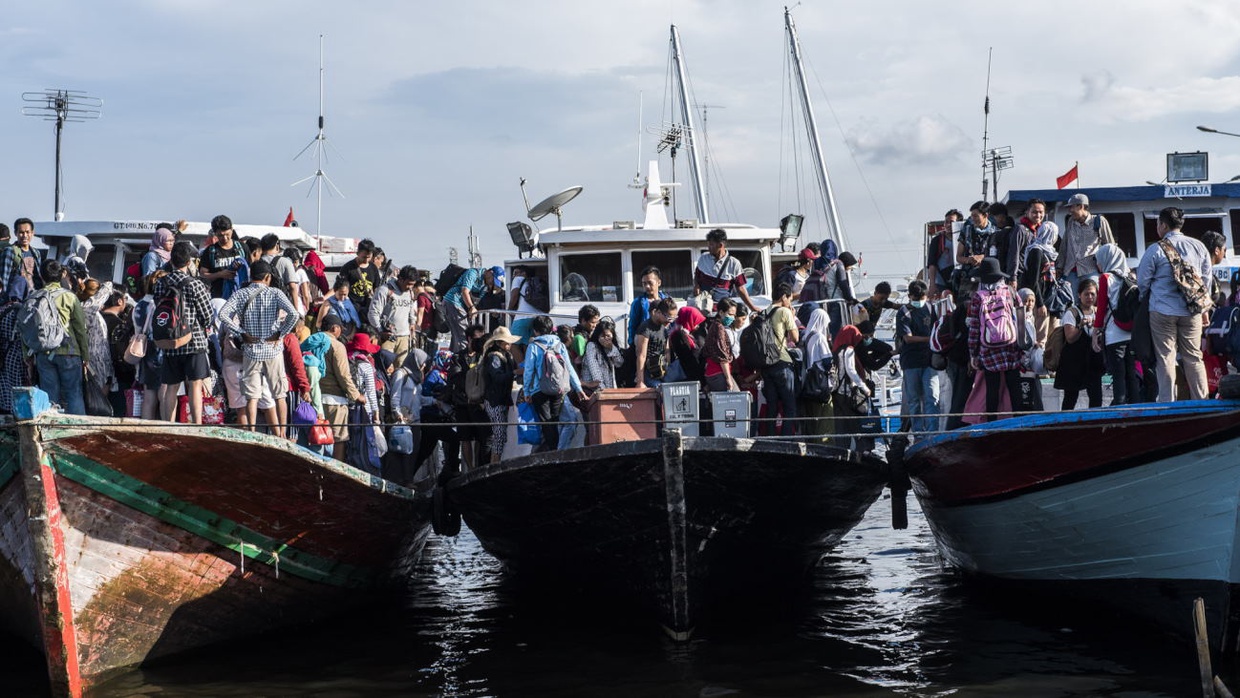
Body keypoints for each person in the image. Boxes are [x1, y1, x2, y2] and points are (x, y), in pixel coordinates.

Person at [218, 260, 302, 436]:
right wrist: (280, 334)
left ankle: (252, 433)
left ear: (251, 276)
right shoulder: (275, 293)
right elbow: (294, 314)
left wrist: (241, 333)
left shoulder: (241, 294)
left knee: (252, 395)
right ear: (267, 277)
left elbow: (223, 314)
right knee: (279, 394)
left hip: (251, 350)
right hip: (273, 350)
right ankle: (283, 434)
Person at [1137, 206, 1212, 402]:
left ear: (1163, 225)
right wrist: (1203, 309)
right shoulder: (1198, 246)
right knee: (1194, 357)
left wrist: (1149, 297)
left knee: (1166, 358)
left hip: (1162, 310)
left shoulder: (1155, 249)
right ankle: (1202, 401)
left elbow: (1142, 282)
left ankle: (1167, 403)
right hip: (1192, 310)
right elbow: (1206, 280)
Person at [154, 241, 214, 424]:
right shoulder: (195, 285)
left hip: (170, 342)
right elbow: (207, 315)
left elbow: (159, 308)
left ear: (171, 261)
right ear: (189, 262)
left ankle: (168, 424)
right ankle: (197, 424)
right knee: (195, 385)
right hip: (194, 342)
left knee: (171, 387)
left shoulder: (160, 283)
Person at [27, 260, 89, 415]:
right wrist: (85, 355)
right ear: (63, 274)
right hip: (69, 351)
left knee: (49, 399)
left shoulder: (34, 297)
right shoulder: (70, 297)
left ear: (41, 275)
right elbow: (80, 329)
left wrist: (26, 354)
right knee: (74, 395)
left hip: (44, 353)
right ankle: (78, 434)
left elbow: (26, 328)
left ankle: (50, 433)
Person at [967, 257, 1023, 422]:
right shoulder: (1010, 292)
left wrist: (973, 354)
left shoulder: (978, 297)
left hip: (989, 349)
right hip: (1011, 346)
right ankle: (1020, 423)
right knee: (1015, 387)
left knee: (992, 389)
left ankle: (992, 424)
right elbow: (1021, 320)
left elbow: (975, 329)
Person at [521, 315, 586, 452]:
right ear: (551, 329)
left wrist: (526, 392)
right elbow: (569, 368)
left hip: (539, 390)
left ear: (535, 331)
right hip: (558, 390)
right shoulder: (560, 345)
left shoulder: (533, 346)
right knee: (555, 421)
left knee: (546, 423)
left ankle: (552, 452)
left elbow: (528, 371)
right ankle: (557, 453)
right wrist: (578, 388)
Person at [1093, 244, 1141, 406]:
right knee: (1132, 375)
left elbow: (1101, 309)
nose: (1098, 265)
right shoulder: (1131, 277)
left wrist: (1095, 332)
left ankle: (1119, 407)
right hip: (1132, 333)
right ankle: (1136, 407)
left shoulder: (1106, 278)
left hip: (1114, 335)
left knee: (1118, 375)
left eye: (1098, 261)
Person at [317, 315, 367, 461]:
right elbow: (344, 376)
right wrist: (356, 395)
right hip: (335, 401)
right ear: (334, 328)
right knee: (339, 439)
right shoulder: (337, 346)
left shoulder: (312, 342)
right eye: (340, 329)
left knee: (315, 437)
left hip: (315, 399)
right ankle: (334, 476)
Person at [1054, 277, 1105, 410]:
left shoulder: (1099, 312)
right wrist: (1080, 326)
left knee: (1096, 397)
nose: (1089, 297)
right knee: (1070, 398)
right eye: (1086, 294)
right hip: (1073, 362)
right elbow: (1070, 338)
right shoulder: (1072, 313)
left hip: (1093, 362)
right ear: (1079, 295)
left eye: (1092, 294)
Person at [896, 280, 938, 437]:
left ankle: (933, 432)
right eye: (917, 297)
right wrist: (929, 339)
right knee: (914, 401)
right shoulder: (904, 312)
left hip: (929, 361)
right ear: (909, 296)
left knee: (932, 397)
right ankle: (919, 434)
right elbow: (907, 338)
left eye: (922, 297)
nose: (920, 301)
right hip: (911, 362)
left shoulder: (931, 308)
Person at [1016, 199, 1060, 345]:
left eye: (1041, 212)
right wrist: (1040, 304)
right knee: (1040, 338)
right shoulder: (1037, 251)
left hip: (1046, 298)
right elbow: (1033, 280)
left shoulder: (1047, 251)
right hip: (1039, 300)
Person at [760, 283, 800, 437]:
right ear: (784, 297)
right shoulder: (784, 311)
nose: (790, 302)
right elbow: (794, 338)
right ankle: (787, 440)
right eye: (790, 298)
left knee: (772, 406)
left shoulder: (764, 312)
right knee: (789, 406)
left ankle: (770, 438)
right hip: (782, 362)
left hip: (767, 365)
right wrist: (792, 315)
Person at [1058, 193, 1116, 295]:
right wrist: (1060, 266)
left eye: (1072, 207)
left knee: (1092, 299)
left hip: (1090, 269)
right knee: (1070, 301)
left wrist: (1110, 270)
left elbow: (1110, 247)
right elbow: (1065, 245)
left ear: (1081, 206)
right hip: (1071, 270)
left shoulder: (1099, 221)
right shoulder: (1071, 221)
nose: (1070, 211)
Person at [831, 322, 875, 451]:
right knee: (855, 423)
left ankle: (841, 450)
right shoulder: (849, 350)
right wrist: (864, 388)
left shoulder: (836, 349)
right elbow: (851, 371)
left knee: (840, 425)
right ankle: (862, 451)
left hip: (836, 393)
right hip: (847, 393)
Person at [693, 228, 759, 313]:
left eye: (711, 245)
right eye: (708, 244)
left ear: (720, 245)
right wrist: (696, 285)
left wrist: (752, 307)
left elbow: (741, 289)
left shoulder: (734, 264)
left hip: (722, 311)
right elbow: (697, 275)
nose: (708, 247)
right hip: (702, 308)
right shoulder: (703, 258)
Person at [481, 326, 520, 464]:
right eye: (506, 342)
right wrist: (514, 373)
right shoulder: (494, 358)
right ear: (499, 343)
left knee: (500, 435)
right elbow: (497, 378)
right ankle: (494, 463)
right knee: (499, 435)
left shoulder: (506, 355)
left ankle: (494, 462)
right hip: (494, 401)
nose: (509, 344)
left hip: (500, 399)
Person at [368, 265, 419, 369]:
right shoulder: (385, 290)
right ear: (400, 279)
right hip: (387, 337)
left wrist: (412, 323)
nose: (410, 287)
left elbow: (410, 310)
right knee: (385, 368)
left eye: (412, 285)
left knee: (401, 370)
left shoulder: (409, 292)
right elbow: (373, 313)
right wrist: (380, 330)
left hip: (404, 337)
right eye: (408, 284)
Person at [797, 306, 834, 439]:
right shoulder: (819, 337)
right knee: (825, 417)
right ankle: (825, 443)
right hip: (821, 383)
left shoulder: (807, 336)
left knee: (812, 418)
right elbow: (827, 361)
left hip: (809, 383)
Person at [443, 265, 498, 352]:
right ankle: (463, 360)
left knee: (457, 335)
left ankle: (453, 359)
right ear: (489, 272)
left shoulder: (485, 285)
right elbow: (465, 291)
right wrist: (471, 307)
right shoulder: (473, 273)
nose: (492, 284)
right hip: (453, 302)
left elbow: (479, 301)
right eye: (493, 280)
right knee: (463, 334)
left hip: (464, 307)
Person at [337, 239, 383, 328]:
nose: (366, 260)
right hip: (351, 309)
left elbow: (377, 287)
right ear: (357, 253)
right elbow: (339, 287)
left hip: (368, 309)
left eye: (369, 257)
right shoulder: (348, 268)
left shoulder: (373, 268)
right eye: (364, 257)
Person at [0, 277, 29, 414]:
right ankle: (17, 413)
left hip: (2, 352)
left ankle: (5, 410)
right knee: (17, 385)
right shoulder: (23, 311)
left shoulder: (2, 310)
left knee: (4, 383)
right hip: (17, 353)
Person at [199, 215, 245, 300]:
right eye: (220, 235)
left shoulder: (242, 248)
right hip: (219, 297)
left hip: (240, 297)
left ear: (232, 230)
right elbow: (203, 274)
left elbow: (250, 269)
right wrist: (220, 274)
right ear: (215, 233)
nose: (225, 238)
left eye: (227, 234)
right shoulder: (210, 251)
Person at [955, 201, 997, 294]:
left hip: (988, 277)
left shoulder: (996, 232)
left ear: (985, 215)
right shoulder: (966, 230)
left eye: (976, 216)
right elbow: (958, 257)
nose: (973, 219)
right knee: (964, 305)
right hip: (969, 277)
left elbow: (998, 256)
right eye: (971, 216)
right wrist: (969, 260)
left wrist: (982, 257)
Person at [634, 298, 674, 389]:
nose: (670, 320)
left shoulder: (664, 328)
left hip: (662, 370)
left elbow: (667, 351)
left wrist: (668, 371)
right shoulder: (645, 328)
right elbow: (641, 355)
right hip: (648, 373)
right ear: (656, 312)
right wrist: (640, 381)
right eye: (667, 316)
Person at [702, 298, 739, 393]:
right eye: (730, 314)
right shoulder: (719, 328)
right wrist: (728, 379)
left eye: (734, 315)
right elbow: (723, 357)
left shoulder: (714, 325)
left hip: (712, 372)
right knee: (736, 401)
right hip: (719, 372)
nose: (733, 318)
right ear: (721, 312)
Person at [819, 250, 860, 336]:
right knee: (836, 327)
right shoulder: (839, 265)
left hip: (828, 299)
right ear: (847, 262)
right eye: (849, 266)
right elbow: (843, 283)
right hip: (836, 301)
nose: (849, 269)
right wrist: (850, 299)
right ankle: (836, 346)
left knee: (831, 326)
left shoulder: (832, 265)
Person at [926, 209, 962, 299]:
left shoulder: (964, 238)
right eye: (946, 222)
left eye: (952, 222)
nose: (948, 225)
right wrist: (932, 285)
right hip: (941, 281)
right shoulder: (937, 240)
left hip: (960, 279)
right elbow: (932, 264)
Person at [666, 306, 706, 384]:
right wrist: (703, 382)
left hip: (690, 377)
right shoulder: (679, 336)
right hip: (686, 379)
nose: (698, 325)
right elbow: (690, 360)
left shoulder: (687, 334)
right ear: (689, 319)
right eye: (695, 321)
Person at [3, 218, 44, 295]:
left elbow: (38, 277)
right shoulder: (10, 251)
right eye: (21, 232)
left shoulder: (36, 253)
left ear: (32, 233)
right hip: (15, 299)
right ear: (16, 233)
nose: (25, 235)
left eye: (27, 232)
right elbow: (4, 279)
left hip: (32, 297)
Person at [582, 319, 623, 392]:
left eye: (608, 336)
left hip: (609, 387)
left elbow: (619, 363)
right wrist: (603, 389)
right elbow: (594, 370)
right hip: (594, 389)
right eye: (603, 336)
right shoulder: (591, 346)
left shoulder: (612, 347)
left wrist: (611, 348)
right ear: (597, 336)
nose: (606, 338)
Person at [258, 234, 299, 301]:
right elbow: (293, 287)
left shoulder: (256, 263)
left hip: (261, 302)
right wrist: (295, 309)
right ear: (277, 246)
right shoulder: (285, 262)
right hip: (280, 303)